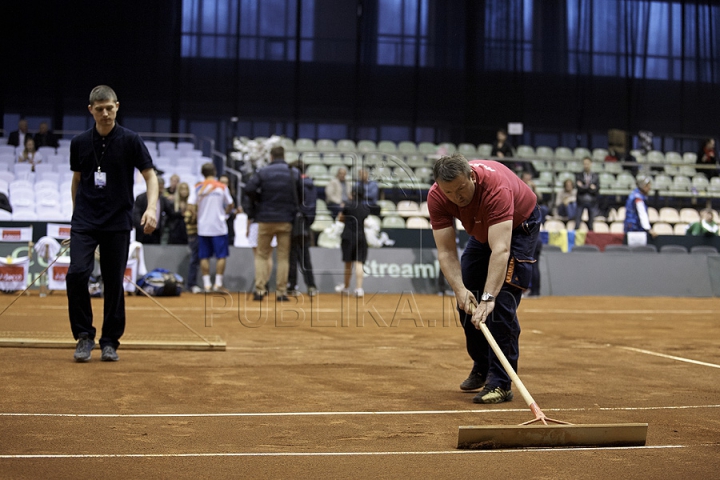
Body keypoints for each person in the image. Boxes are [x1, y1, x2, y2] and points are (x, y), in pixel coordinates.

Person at [427, 153, 540, 404]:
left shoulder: (495, 187)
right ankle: (482, 366)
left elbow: (500, 249)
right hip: (482, 233)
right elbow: (446, 251)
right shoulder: (436, 197)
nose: (457, 197)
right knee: (466, 302)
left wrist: (489, 298)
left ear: (472, 177)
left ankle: (500, 383)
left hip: (520, 228)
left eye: (461, 189)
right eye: (449, 192)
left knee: (500, 306)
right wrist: (459, 289)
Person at [67, 85, 158, 363]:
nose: (105, 113)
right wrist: (76, 216)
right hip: (84, 222)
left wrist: (152, 207)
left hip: (118, 222)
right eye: (99, 109)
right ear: (90, 110)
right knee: (77, 274)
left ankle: (110, 342)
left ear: (117, 106)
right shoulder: (79, 142)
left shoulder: (131, 140)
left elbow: (150, 176)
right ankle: (84, 336)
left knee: (114, 283)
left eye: (109, 107)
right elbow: (77, 180)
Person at [244, 146, 301, 301]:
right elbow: (301, 195)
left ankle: (260, 290)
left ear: (271, 157)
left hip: (265, 219)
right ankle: (282, 292)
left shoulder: (263, 172)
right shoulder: (293, 172)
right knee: (283, 258)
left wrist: (259, 200)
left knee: (262, 255)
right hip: (285, 220)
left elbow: (249, 188)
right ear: (284, 155)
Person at [188, 163, 234, 292]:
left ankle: (207, 285)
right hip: (219, 226)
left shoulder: (197, 187)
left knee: (204, 256)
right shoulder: (222, 187)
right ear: (214, 172)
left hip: (203, 227)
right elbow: (230, 204)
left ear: (202, 173)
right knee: (221, 256)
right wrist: (225, 214)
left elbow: (190, 206)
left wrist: (196, 215)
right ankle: (218, 284)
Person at [334, 186, 381, 297]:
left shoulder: (348, 205)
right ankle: (359, 289)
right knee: (359, 262)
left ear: (353, 194)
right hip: (360, 237)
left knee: (348, 263)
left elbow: (340, 218)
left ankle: (346, 288)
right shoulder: (365, 207)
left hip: (348, 236)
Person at [287, 160, 318, 297]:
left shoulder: (296, 185)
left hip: (295, 223)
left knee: (293, 256)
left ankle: (292, 286)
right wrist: (307, 220)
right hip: (305, 224)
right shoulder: (311, 185)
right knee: (305, 257)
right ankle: (311, 286)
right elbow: (312, 206)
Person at [133, 175, 174, 244]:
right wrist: (143, 228)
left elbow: (171, 213)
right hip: (142, 233)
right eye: (159, 187)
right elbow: (136, 215)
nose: (161, 190)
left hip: (156, 233)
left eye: (162, 188)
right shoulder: (141, 198)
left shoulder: (163, 199)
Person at [179, 182, 201, 293]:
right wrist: (195, 216)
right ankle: (191, 284)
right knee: (194, 259)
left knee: (198, 259)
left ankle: (193, 283)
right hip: (193, 235)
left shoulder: (199, 206)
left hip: (200, 235)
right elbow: (187, 220)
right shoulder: (191, 207)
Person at [574, 157, 599, 230]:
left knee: (591, 224)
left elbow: (596, 190)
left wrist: (584, 186)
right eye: (584, 164)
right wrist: (589, 187)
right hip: (581, 200)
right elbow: (579, 189)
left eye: (587, 164)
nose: (586, 165)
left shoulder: (595, 176)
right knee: (577, 222)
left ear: (591, 164)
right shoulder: (578, 175)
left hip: (592, 201)